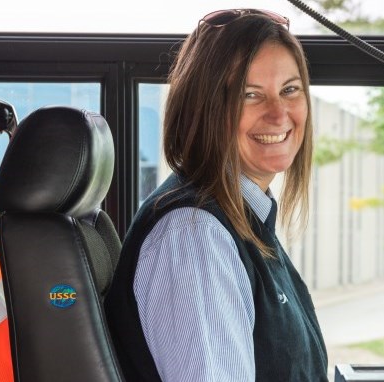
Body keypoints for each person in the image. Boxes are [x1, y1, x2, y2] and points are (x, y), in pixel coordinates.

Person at [104, 9, 328, 382]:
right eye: (249, 95)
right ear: (203, 110)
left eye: (289, 90)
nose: (278, 114)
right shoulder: (194, 236)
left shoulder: (245, 217)